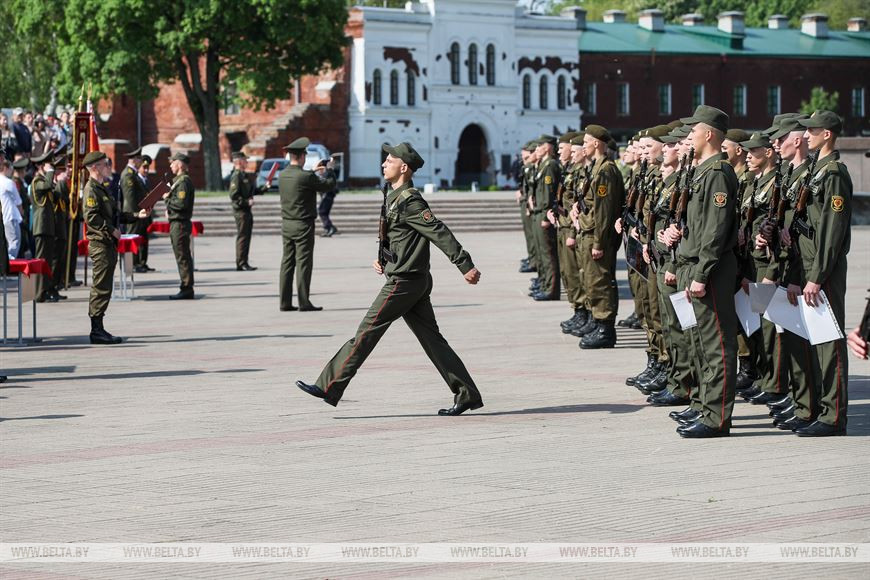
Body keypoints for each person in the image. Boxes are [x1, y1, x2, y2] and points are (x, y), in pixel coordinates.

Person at [295, 142, 484, 415]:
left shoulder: (411, 200)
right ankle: (466, 394)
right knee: (433, 341)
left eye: (389, 161)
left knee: (366, 332)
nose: (384, 164)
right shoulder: (393, 195)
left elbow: (438, 231)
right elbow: (395, 235)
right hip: (409, 278)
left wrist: (464, 264)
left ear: (403, 167)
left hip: (405, 283)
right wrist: (383, 259)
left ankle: (330, 384)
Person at [663, 105, 739, 438]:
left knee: (717, 345)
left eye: (694, 130)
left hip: (709, 270)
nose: (689, 135)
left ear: (709, 134)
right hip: (693, 264)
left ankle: (717, 417)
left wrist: (702, 273)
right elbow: (697, 224)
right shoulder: (702, 172)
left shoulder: (719, 172)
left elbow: (716, 229)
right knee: (700, 342)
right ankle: (704, 407)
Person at [81, 151, 150, 344]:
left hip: (107, 243)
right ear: (94, 167)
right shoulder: (91, 189)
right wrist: (111, 230)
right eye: (104, 164)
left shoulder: (102, 188)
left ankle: (99, 328)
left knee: (105, 286)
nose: (108, 167)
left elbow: (116, 214)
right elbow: (91, 217)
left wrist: (137, 215)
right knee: (101, 286)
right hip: (100, 243)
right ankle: (96, 330)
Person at [575, 125, 624, 349]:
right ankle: (597, 321)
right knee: (592, 281)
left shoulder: (605, 170)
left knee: (600, 281)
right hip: (589, 231)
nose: (583, 145)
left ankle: (605, 328)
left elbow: (604, 211)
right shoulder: (596, 168)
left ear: (596, 143)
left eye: (586, 142)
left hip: (597, 236)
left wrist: (599, 242)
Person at [277, 137, 335, 311]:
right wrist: (330, 170)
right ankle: (304, 302)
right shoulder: (306, 176)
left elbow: (302, 180)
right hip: (303, 225)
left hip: (287, 224)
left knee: (287, 263)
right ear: (302, 156)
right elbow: (327, 186)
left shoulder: (283, 175)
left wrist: (313, 171)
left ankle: (285, 302)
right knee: (303, 263)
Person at [163, 152, 196, 299]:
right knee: (182, 256)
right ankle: (186, 285)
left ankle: (187, 287)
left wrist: (167, 200)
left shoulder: (183, 182)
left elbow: (181, 204)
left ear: (180, 164)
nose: (170, 165)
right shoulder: (178, 181)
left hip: (180, 224)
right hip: (177, 223)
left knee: (182, 257)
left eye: (173, 162)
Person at [30, 150, 58, 302]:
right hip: (41, 227)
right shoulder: (37, 181)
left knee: (46, 262)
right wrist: (50, 172)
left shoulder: (44, 180)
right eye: (48, 165)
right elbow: (47, 185)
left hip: (47, 227)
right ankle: (38, 294)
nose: (51, 168)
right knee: (41, 261)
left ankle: (45, 290)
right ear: (41, 166)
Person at [120, 147, 153, 272]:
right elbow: (130, 197)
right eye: (139, 158)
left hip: (139, 212)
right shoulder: (128, 174)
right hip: (133, 212)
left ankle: (139, 263)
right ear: (134, 160)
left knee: (140, 238)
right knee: (133, 237)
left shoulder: (132, 173)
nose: (141, 161)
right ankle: (133, 264)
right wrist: (136, 214)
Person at [228, 151, 259, 270]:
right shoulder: (236, 176)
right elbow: (234, 195)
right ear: (239, 162)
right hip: (241, 211)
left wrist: (264, 188)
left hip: (246, 211)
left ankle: (244, 261)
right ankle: (241, 263)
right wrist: (246, 202)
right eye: (245, 160)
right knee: (243, 237)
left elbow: (251, 191)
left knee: (246, 236)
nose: (247, 162)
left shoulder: (243, 175)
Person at [317, 157, 340, 237]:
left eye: (320, 167)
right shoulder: (328, 173)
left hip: (327, 196)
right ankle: (329, 228)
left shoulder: (327, 173)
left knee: (322, 212)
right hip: (328, 196)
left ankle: (329, 228)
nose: (319, 169)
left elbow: (324, 186)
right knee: (324, 213)